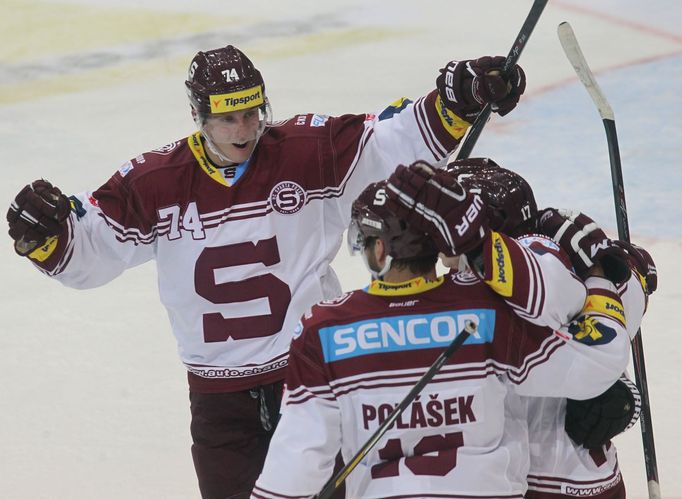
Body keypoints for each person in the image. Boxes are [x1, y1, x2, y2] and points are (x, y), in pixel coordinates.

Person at [5, 45, 526, 498]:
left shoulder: (306, 152)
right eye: (228, 118)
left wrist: (456, 101)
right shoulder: (155, 183)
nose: (245, 128)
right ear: (197, 115)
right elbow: (89, 254)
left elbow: (390, 140)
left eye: (252, 113)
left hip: (309, 378)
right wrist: (47, 237)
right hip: (218, 398)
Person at [251, 162, 631, 498]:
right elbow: (594, 366)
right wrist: (601, 281)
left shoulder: (324, 328)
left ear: (379, 251)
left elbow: (296, 461)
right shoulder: (487, 309)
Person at [443, 158, 656, 499]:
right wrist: (621, 264)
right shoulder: (573, 266)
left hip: (535, 481)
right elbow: (628, 302)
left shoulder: (500, 286)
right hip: (599, 480)